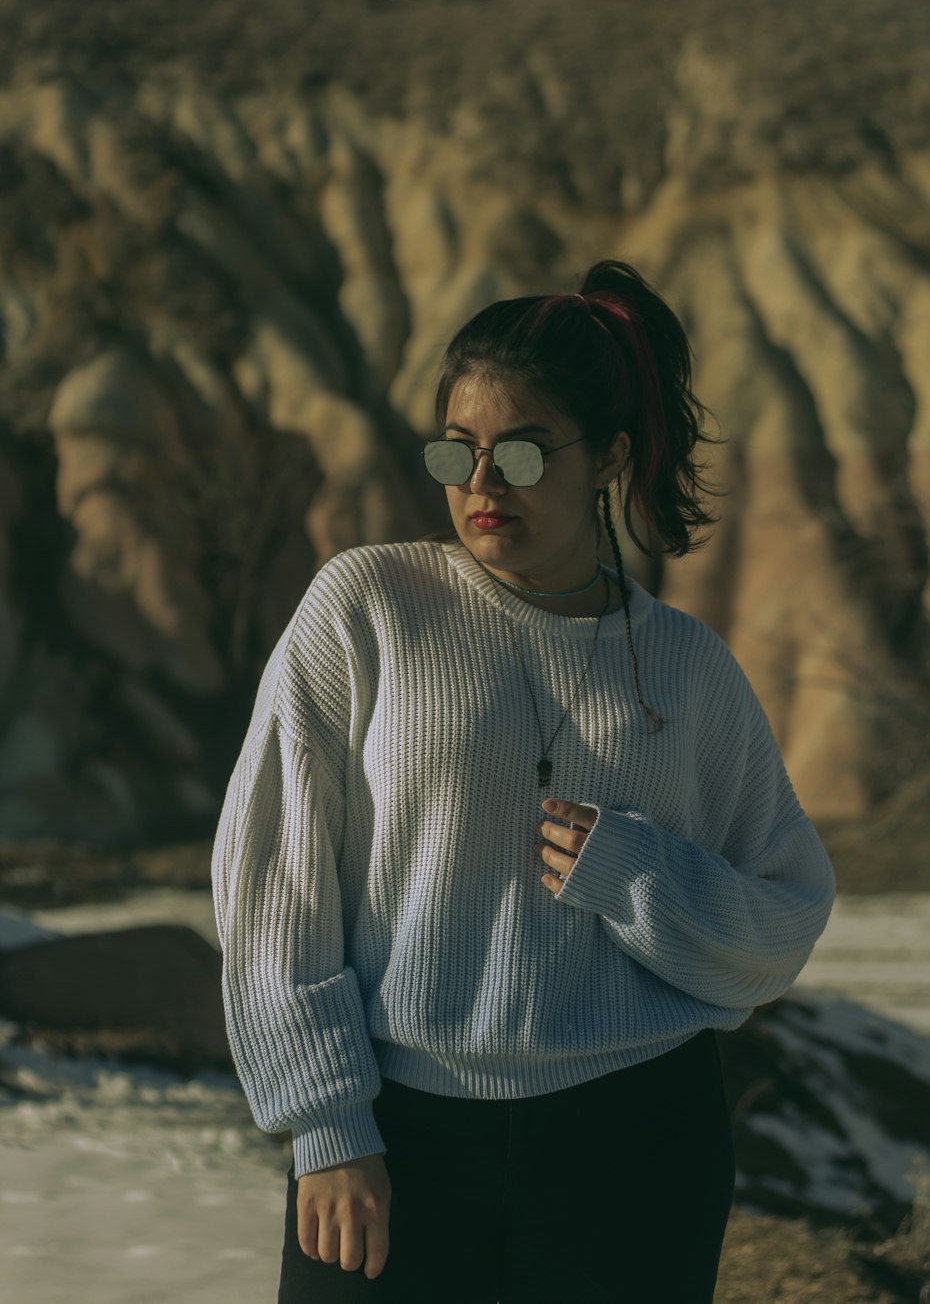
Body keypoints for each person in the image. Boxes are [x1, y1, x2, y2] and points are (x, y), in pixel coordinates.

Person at [211, 258, 837, 1303]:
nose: (479, 484)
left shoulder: (685, 665)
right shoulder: (367, 607)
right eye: (456, 450)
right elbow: (273, 877)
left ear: (609, 459)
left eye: (519, 451)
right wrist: (325, 1124)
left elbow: (785, 918)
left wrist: (635, 874)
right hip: (398, 1137)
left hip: (635, 1147)